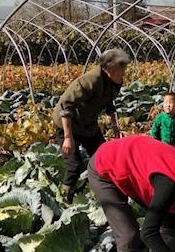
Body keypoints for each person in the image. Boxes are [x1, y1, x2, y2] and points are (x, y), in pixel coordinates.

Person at [52, 48, 130, 203]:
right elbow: (66, 107)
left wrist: (115, 128)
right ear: (111, 69)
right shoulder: (89, 81)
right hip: (68, 123)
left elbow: (109, 104)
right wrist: (68, 137)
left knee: (103, 156)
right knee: (74, 164)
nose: (123, 73)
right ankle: (64, 199)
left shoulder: (115, 82)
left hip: (88, 124)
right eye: (122, 70)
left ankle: (100, 190)